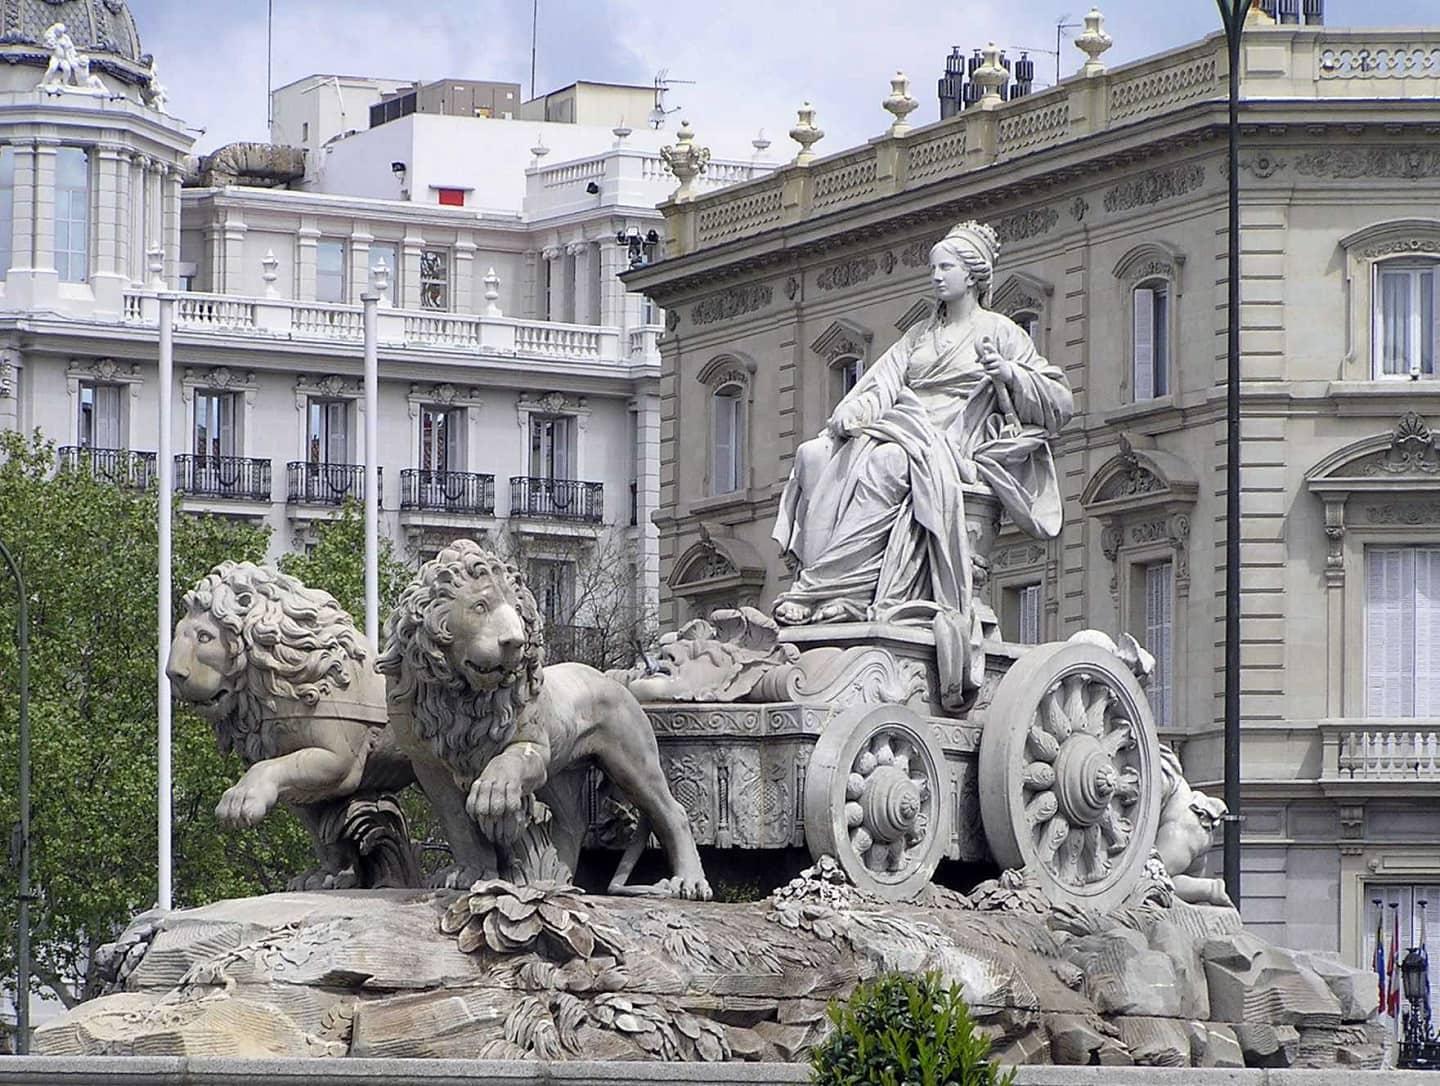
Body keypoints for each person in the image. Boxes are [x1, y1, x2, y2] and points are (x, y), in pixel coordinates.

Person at [770, 221, 1073, 701]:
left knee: (888, 462)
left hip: (955, 442)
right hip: (905, 425)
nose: (936, 277)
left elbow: (1059, 403)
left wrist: (1011, 374)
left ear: (972, 275)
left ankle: (834, 589)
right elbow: (880, 385)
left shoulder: (1001, 333)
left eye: (946, 267)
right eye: (933, 267)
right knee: (814, 454)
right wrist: (851, 412)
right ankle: (826, 592)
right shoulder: (917, 336)